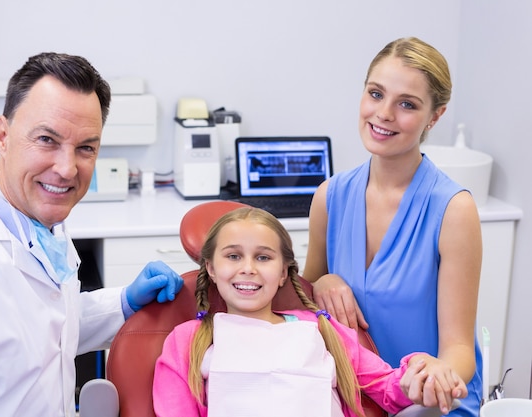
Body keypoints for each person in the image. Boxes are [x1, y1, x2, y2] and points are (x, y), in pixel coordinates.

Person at [0, 52, 183, 417]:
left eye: (86, 147)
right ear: (3, 136)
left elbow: (43, 329)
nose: (67, 169)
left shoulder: (38, 226)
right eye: (47, 139)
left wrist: (124, 303)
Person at [302, 37, 483, 417]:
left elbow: (460, 349)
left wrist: (438, 371)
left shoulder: (452, 209)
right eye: (375, 93)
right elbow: (301, 304)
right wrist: (321, 283)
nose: (384, 113)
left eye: (406, 104)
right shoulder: (329, 197)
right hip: (353, 395)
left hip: (429, 402)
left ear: (435, 116)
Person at [153, 207, 467, 417]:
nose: (247, 269)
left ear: (283, 273)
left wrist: (423, 371)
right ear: (210, 266)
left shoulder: (322, 331)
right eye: (233, 256)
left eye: (263, 258)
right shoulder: (188, 341)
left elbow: (388, 388)